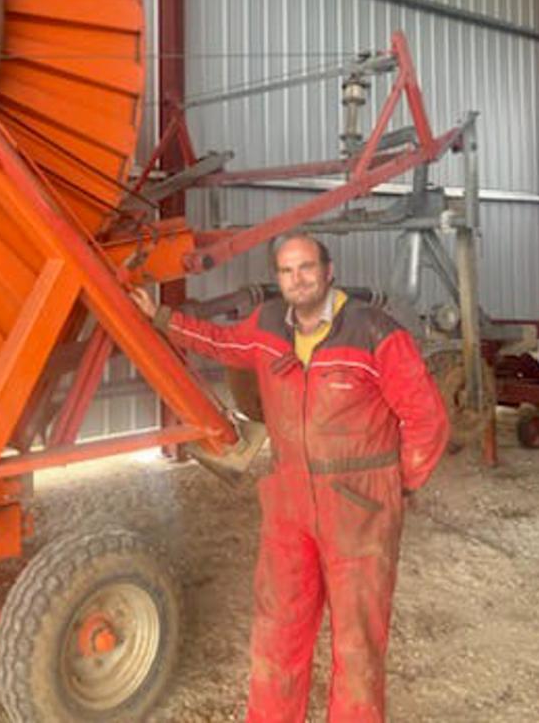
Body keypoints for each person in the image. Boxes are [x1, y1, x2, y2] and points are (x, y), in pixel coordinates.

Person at [130, 231, 449, 723]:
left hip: (359, 510)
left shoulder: (376, 332)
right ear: (277, 279)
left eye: (306, 268)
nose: (297, 279)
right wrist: (162, 318)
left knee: (358, 643)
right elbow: (221, 341)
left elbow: (427, 419)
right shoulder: (267, 325)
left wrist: (396, 485)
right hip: (288, 506)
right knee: (278, 632)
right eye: (286, 271)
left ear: (328, 271)